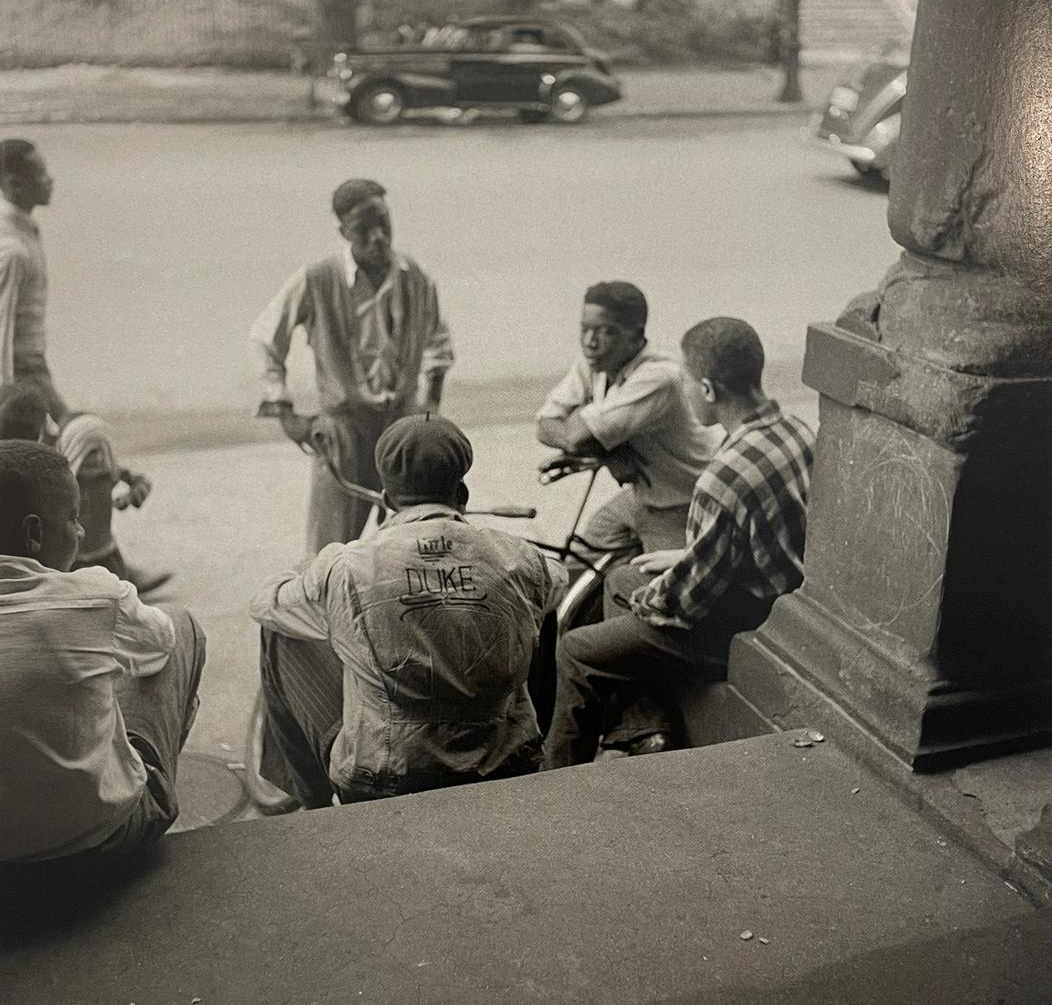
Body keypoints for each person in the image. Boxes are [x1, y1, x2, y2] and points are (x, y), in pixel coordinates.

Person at [250, 414, 567, 808]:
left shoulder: (347, 567)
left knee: (279, 630)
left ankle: (313, 805)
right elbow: (557, 579)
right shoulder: (521, 559)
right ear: (463, 494)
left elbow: (264, 603)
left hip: (386, 777)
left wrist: (307, 571)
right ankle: (537, 740)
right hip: (504, 762)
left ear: (386, 499)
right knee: (541, 604)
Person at [543, 318, 816, 768]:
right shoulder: (796, 431)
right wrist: (684, 557)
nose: (684, 391)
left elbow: (685, 604)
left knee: (575, 650)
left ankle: (555, 781)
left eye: (687, 380)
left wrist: (647, 599)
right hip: (781, 595)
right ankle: (644, 726)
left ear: (707, 390)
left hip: (740, 621)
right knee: (621, 577)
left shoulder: (723, 477)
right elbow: (773, 531)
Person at [0, 441, 206, 862]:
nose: (79, 532)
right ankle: (140, 787)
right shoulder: (95, 597)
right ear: (35, 534)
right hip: (103, 842)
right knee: (180, 627)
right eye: (73, 518)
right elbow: (159, 643)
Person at [0, 139, 170, 595]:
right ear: (14, 182)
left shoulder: (24, 230)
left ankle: (100, 561)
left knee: (83, 453)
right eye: (39, 172)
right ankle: (97, 569)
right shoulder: (11, 247)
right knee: (81, 455)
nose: (49, 179)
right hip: (21, 379)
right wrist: (14, 406)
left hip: (35, 372)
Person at [250, 179, 454, 554]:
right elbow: (266, 338)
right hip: (344, 431)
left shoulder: (417, 278)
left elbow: (438, 343)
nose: (378, 237)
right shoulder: (316, 279)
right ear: (344, 231)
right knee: (331, 548)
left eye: (384, 224)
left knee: (411, 542)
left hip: (402, 427)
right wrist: (285, 414)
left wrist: (431, 406)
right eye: (364, 229)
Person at [537, 281, 721, 557]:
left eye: (606, 332)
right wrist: (613, 452)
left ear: (636, 337)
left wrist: (586, 435)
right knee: (588, 553)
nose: (590, 342)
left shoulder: (657, 377)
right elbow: (544, 424)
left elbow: (574, 437)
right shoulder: (596, 364)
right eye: (585, 329)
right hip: (642, 495)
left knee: (655, 591)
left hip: (682, 504)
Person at [0, 382, 158, 580]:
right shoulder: (59, 479)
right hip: (75, 558)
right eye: (89, 454)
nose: (95, 461)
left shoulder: (101, 472)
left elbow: (137, 481)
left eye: (98, 453)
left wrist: (134, 492)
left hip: (103, 552)